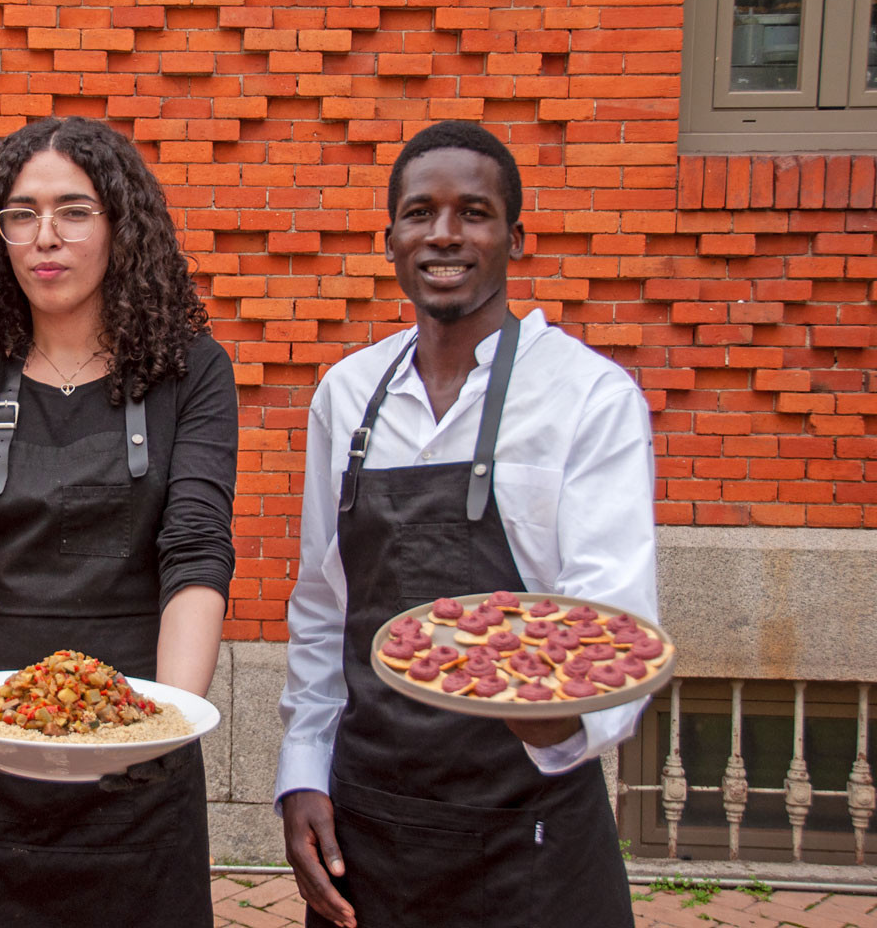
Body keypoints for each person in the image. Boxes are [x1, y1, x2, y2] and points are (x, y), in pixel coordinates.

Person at [276, 121, 656, 928]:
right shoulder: (346, 395)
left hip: (530, 832)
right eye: (420, 213)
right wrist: (303, 771)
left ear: (514, 236)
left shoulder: (589, 397)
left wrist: (554, 712)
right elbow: (322, 607)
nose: (444, 234)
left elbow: (613, 627)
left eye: (474, 212)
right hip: (372, 828)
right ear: (390, 240)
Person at [0, 116, 238, 927]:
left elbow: (195, 548)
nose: (46, 236)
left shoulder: (193, 368)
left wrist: (165, 725)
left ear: (120, 223)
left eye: (75, 211)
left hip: (135, 735)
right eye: (22, 214)